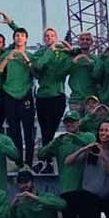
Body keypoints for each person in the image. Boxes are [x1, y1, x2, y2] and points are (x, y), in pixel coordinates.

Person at [38, 111, 100, 218]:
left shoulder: (86, 136)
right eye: (67, 122)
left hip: (85, 190)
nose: (70, 125)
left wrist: (75, 139)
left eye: (72, 121)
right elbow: (42, 154)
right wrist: (55, 142)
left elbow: (94, 147)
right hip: (67, 190)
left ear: (79, 122)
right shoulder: (61, 140)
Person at [32, 28, 73, 172]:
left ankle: (45, 159)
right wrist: (50, 50)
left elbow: (67, 66)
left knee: (51, 129)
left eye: (52, 36)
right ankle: (46, 161)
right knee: (45, 131)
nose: (49, 38)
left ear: (56, 37)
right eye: (47, 36)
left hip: (57, 95)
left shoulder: (63, 53)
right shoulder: (41, 52)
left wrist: (67, 49)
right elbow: (38, 65)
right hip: (43, 96)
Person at [0, 27, 37, 166]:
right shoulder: (8, 54)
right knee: (14, 131)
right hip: (9, 95)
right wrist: (8, 58)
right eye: (17, 35)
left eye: (22, 35)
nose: (19, 38)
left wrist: (25, 57)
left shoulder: (31, 55)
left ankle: (29, 163)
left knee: (28, 130)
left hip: (25, 95)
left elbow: (36, 73)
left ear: (26, 39)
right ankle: (19, 163)